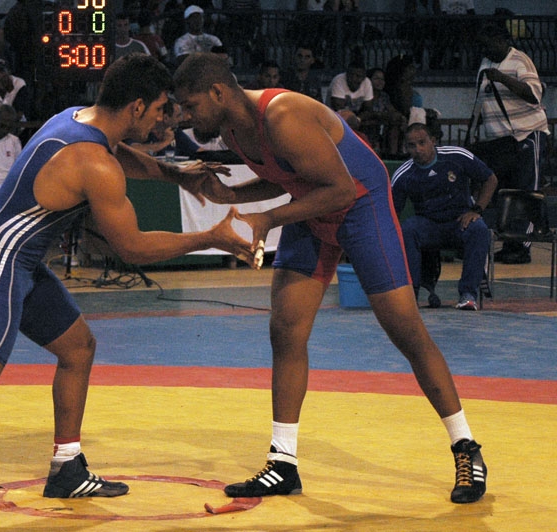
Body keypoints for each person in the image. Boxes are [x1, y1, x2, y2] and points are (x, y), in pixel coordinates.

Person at [0, 53, 253, 530]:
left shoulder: (77, 120)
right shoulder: (93, 164)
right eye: (163, 109)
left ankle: (67, 467)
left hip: (18, 260)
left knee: (78, 347)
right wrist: (212, 236)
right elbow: (133, 248)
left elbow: (118, 154)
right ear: (138, 106)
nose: (167, 120)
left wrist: (176, 174)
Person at [172, 52, 487, 506]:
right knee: (285, 330)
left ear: (218, 93)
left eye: (189, 104)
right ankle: (283, 461)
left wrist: (268, 219)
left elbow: (339, 188)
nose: (185, 116)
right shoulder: (230, 128)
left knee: (405, 330)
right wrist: (229, 193)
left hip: (359, 205)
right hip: (313, 207)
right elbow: (288, 175)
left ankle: (466, 448)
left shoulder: (282, 115)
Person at [391, 123, 498, 310]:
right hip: (428, 226)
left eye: (422, 143)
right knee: (407, 229)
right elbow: (392, 214)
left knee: (479, 229)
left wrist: (477, 210)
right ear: (406, 148)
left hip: (459, 222)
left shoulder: (456, 156)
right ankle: (411, 294)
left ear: (433, 141)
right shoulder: (403, 174)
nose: (418, 149)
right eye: (411, 145)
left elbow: (490, 179)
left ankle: (468, 294)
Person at [476, 24, 549, 265]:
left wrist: (502, 79)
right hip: (501, 141)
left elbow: (534, 95)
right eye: (482, 45)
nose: (484, 49)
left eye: (488, 44)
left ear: (501, 40)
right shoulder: (486, 62)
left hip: (527, 133)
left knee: (526, 191)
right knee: (506, 193)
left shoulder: (520, 60)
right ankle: (510, 243)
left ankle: (523, 246)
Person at [361, 66, 406, 158]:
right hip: (366, 128)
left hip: (381, 128)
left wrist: (401, 117)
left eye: (382, 79)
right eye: (376, 78)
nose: (380, 82)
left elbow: (392, 110)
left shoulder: (384, 96)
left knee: (396, 124)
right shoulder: (363, 95)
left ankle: (393, 155)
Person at [328, 60, 372, 133]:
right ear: (346, 74)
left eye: (358, 76)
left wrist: (358, 119)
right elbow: (338, 108)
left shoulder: (367, 82)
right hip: (336, 119)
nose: (353, 79)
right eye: (351, 75)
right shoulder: (339, 80)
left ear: (364, 77)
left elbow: (368, 109)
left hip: (356, 119)